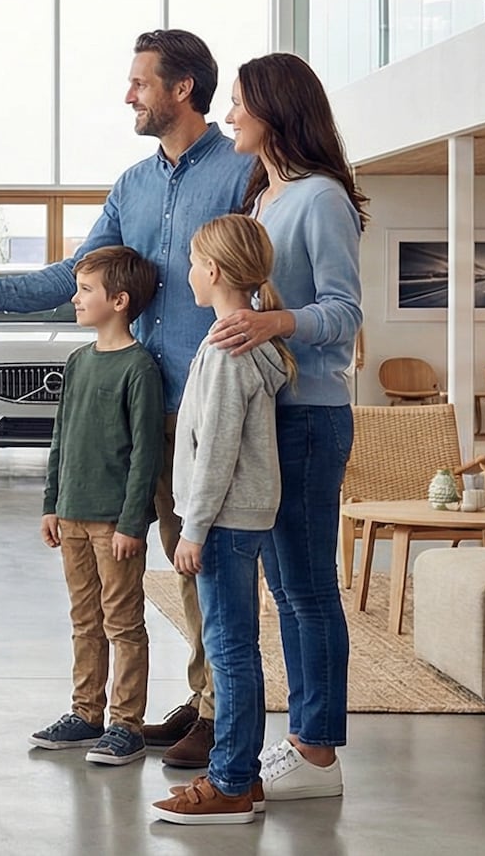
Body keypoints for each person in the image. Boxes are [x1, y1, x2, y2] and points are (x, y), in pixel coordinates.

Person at [0, 29, 256, 770]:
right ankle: (196, 698)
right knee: (172, 552)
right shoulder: (131, 185)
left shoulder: (242, 171)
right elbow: (76, 273)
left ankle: (217, 710)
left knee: (206, 563)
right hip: (143, 405)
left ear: (182, 89)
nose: (127, 94)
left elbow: (266, 277)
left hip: (206, 406)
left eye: (139, 82)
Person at [203, 52, 369, 800]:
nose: (229, 114)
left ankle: (318, 753)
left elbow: (345, 313)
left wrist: (271, 320)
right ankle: (304, 739)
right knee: (286, 585)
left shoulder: (321, 197)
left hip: (311, 418)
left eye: (239, 102)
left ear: (275, 107)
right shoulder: (262, 198)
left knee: (307, 588)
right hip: (272, 419)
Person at [150, 215, 294, 826]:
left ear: (212, 271)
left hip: (225, 520)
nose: (186, 273)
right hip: (237, 516)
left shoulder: (228, 351)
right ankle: (244, 777)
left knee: (229, 649)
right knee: (233, 646)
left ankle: (232, 780)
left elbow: (217, 450)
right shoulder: (243, 344)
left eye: (191, 261)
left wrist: (195, 527)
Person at [27, 246, 166, 767]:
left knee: (122, 623)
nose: (76, 297)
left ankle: (125, 724)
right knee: (84, 619)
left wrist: (133, 523)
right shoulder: (79, 361)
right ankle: (85, 714)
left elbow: (146, 454)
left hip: (115, 526)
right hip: (72, 517)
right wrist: (51, 504)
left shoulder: (139, 368)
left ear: (120, 300)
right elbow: (60, 439)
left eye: (86, 290)